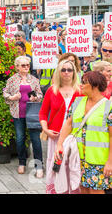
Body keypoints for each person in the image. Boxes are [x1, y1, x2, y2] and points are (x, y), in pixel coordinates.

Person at [55, 71, 112, 194]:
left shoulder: (109, 106)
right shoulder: (77, 102)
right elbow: (68, 124)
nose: (81, 85)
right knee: (83, 189)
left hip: (98, 161)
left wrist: (110, 162)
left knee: (96, 191)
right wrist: (59, 144)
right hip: (78, 158)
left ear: (95, 86)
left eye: (84, 83)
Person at [39, 59, 83, 194]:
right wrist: (46, 130)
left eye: (69, 70)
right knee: (56, 166)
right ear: (58, 72)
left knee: (73, 167)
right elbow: (42, 113)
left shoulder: (80, 91)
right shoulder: (52, 90)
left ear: (74, 72)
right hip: (55, 136)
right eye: (63, 70)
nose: (66, 73)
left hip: (74, 137)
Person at [3, 56, 44, 177]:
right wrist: (11, 97)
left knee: (36, 139)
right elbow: (5, 92)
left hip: (32, 113)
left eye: (27, 65)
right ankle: (22, 162)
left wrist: (36, 97)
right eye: (23, 65)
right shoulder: (12, 80)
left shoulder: (34, 80)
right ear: (17, 67)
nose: (26, 67)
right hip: (18, 113)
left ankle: (39, 165)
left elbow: (40, 94)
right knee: (20, 139)